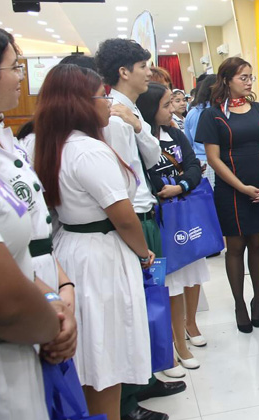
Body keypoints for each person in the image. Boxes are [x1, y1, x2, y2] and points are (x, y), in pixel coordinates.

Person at [33, 64, 156, 420]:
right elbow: (123, 216)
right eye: (102, 96)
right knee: (106, 359)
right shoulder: (88, 150)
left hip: (74, 250)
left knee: (91, 355)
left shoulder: (55, 145)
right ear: (80, 103)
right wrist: (143, 251)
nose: (108, 103)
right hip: (100, 255)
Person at [96, 39, 184, 420]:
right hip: (135, 220)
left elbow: (154, 158)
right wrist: (133, 126)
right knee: (137, 306)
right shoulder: (114, 117)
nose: (150, 71)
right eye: (144, 65)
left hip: (149, 218)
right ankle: (128, 398)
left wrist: (140, 127)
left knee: (152, 300)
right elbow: (123, 181)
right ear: (123, 72)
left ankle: (145, 375)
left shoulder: (129, 113)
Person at [0, 25, 73, 420]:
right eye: (15, 66)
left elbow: (24, 242)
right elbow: (5, 303)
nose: (22, 76)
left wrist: (55, 299)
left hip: (28, 328)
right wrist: (55, 328)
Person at [195, 57, 259, 333]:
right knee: (236, 248)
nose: (248, 82)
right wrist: (241, 187)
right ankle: (239, 304)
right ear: (227, 80)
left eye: (250, 77)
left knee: (258, 245)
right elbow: (213, 159)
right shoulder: (213, 114)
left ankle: (257, 301)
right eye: (243, 77)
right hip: (231, 189)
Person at [137, 83, 211, 376]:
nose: (173, 109)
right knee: (170, 280)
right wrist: (162, 191)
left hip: (185, 212)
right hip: (159, 216)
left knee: (192, 271)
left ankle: (187, 327)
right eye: (167, 105)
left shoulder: (176, 134)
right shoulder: (138, 137)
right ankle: (175, 343)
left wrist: (181, 186)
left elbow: (193, 165)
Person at [185, 75, 217, 187]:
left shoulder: (192, 112)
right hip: (217, 162)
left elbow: (188, 142)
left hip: (199, 162)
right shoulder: (216, 112)